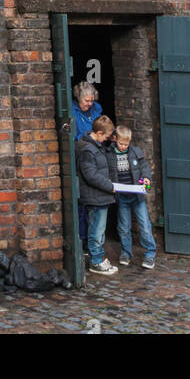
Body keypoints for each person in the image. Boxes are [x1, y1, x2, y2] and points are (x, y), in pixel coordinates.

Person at [108, 124, 156, 269]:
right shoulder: (109, 154)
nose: (123, 146)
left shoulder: (135, 152)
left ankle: (150, 253)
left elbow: (144, 167)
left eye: (126, 144)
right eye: (121, 143)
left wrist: (146, 177)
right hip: (121, 196)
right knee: (123, 226)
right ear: (115, 139)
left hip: (137, 196)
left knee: (145, 225)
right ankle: (126, 252)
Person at [75, 114, 118, 275]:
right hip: (96, 195)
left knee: (98, 228)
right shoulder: (87, 150)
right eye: (106, 136)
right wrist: (110, 186)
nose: (107, 139)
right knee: (97, 229)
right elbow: (91, 175)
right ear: (99, 133)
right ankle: (96, 260)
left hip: (100, 195)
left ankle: (98, 256)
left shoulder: (95, 146)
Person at [71, 82, 102, 253]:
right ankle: (82, 240)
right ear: (78, 97)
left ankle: (95, 241)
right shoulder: (72, 111)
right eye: (86, 100)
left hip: (95, 158)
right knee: (81, 201)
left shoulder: (96, 109)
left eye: (91, 100)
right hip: (80, 157)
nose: (89, 104)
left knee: (95, 201)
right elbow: (75, 136)